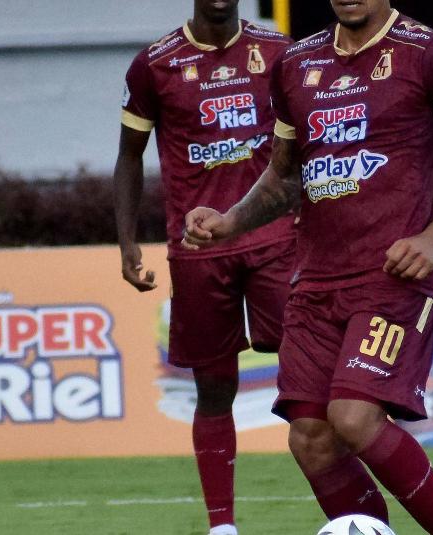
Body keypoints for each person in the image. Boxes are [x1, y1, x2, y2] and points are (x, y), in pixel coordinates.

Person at [180, 1, 433, 533]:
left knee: (354, 416)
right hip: (313, 281)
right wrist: (230, 221)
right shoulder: (295, 64)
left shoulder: (431, 55)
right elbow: (285, 177)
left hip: (394, 277)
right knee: (310, 438)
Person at [113, 2, 293, 534]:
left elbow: (309, 140)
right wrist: (127, 241)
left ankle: (348, 510)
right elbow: (129, 155)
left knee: (309, 372)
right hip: (198, 249)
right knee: (214, 388)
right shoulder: (155, 64)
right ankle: (222, 527)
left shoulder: (279, 52)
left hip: (274, 239)